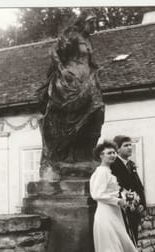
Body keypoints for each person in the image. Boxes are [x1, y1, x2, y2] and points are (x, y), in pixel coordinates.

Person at [37, 11, 104, 178]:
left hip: (87, 80)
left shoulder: (89, 41)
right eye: (91, 22)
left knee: (97, 110)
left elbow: (89, 61)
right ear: (83, 22)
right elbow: (54, 52)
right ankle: (66, 155)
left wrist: (97, 69)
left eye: (95, 22)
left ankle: (85, 154)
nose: (94, 25)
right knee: (69, 118)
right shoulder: (73, 36)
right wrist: (62, 70)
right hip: (71, 81)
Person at [90, 141, 150, 252]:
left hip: (115, 215)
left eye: (114, 153)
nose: (112, 155)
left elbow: (113, 191)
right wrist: (119, 201)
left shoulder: (109, 172)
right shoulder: (101, 172)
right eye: (109, 153)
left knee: (125, 250)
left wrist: (125, 197)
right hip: (105, 216)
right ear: (101, 155)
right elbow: (97, 194)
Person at [111, 135, 146, 245]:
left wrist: (142, 204)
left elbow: (139, 187)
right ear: (118, 149)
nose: (130, 147)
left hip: (134, 210)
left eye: (130, 145)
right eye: (126, 145)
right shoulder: (113, 165)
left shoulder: (131, 164)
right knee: (124, 240)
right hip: (121, 209)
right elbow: (115, 187)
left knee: (134, 238)